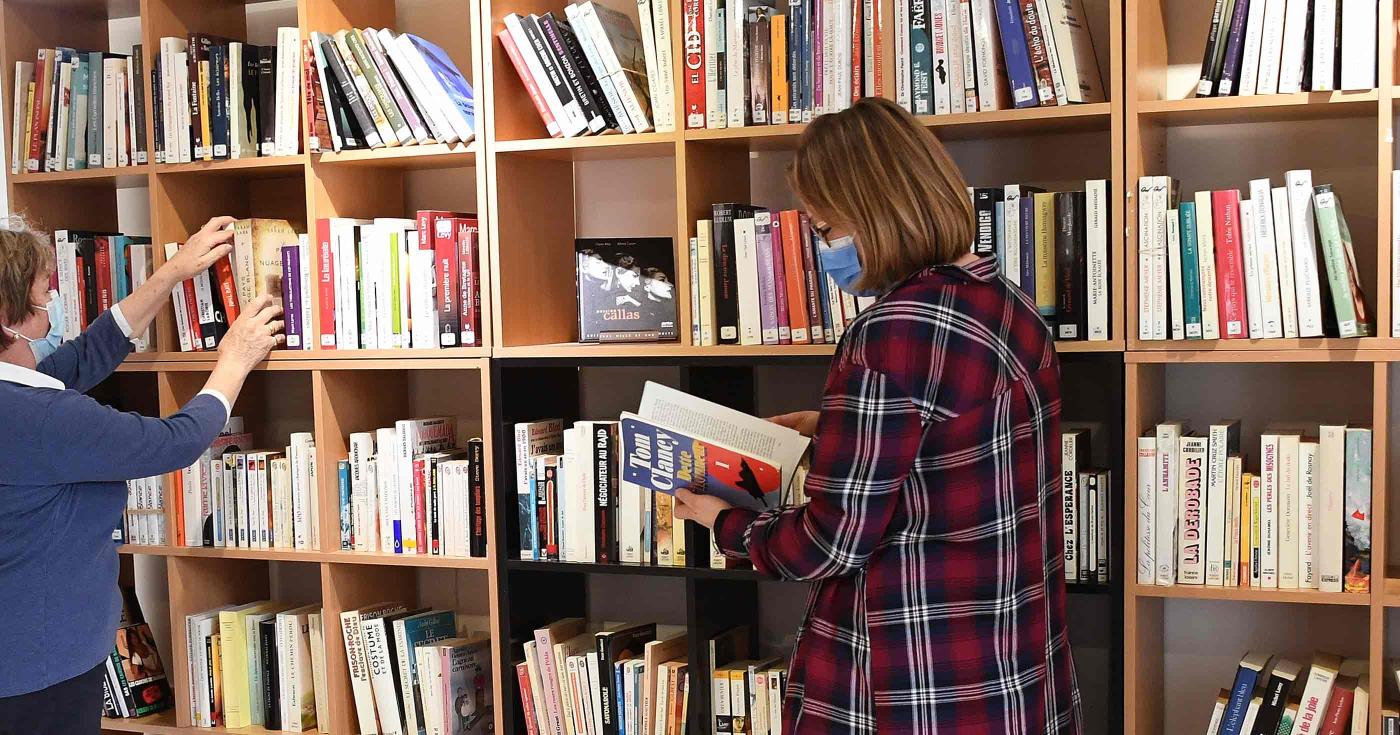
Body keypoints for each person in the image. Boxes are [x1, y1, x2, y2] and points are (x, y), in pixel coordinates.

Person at [673, 97, 1081, 733]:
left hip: (914, 678)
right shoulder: (1008, 304)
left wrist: (722, 521)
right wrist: (836, 421)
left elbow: (825, 545)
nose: (823, 247)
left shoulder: (890, 334)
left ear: (875, 214)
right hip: (1013, 667)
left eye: (825, 228)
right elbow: (958, 442)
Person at [0, 216, 282, 734]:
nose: (55, 298)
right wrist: (234, 360)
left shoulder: (23, 397)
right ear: (7, 315)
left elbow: (84, 358)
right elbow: (174, 442)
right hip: (37, 671)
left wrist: (171, 272)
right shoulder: (41, 417)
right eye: (45, 290)